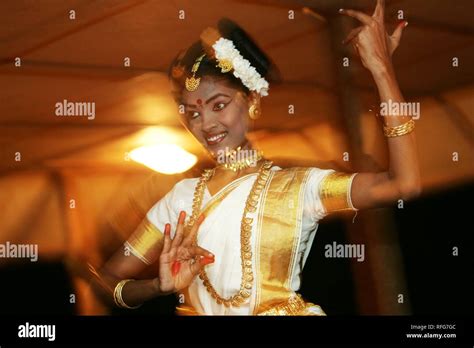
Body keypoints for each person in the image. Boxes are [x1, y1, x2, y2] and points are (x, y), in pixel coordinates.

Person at [94, 0, 420, 315]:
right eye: (193, 113)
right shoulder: (179, 200)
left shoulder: (297, 188)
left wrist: (381, 70)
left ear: (251, 100)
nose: (206, 124)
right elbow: (105, 283)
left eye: (218, 105)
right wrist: (157, 287)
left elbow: (402, 184)